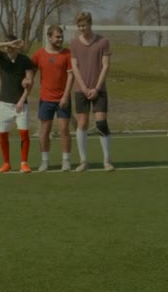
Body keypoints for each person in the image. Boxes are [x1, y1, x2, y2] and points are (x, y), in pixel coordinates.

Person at [70, 12, 114, 172]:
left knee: (101, 123)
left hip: (99, 90)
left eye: (84, 25)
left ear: (90, 24)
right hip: (81, 90)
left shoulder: (103, 42)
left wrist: (96, 88)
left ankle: (107, 160)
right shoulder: (74, 43)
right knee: (82, 123)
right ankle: (83, 161)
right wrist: (83, 88)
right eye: (79, 26)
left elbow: (106, 66)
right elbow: (74, 67)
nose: (82, 28)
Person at [28, 25, 74, 172]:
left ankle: (66, 161)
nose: (60, 39)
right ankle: (45, 161)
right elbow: (31, 72)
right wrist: (27, 80)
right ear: (49, 37)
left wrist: (66, 96)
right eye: (57, 37)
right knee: (44, 131)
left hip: (63, 99)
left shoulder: (67, 54)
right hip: (46, 99)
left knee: (64, 130)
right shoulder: (38, 54)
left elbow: (71, 76)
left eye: (61, 37)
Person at [0, 35, 35, 173]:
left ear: (17, 47)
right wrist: (6, 43)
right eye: (8, 46)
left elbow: (30, 82)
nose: (9, 48)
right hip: (3, 103)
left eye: (12, 46)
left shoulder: (25, 60)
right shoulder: (1, 57)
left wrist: (21, 100)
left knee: (24, 133)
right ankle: (6, 163)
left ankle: (24, 163)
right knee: (2, 134)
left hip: (21, 104)